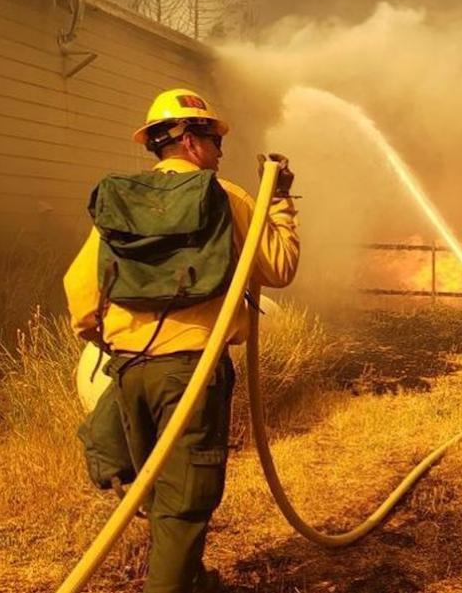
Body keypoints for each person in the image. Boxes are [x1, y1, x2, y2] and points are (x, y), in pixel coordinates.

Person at [63, 88, 299, 593]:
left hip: (127, 368)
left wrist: (109, 341)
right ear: (190, 141)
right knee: (185, 503)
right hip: (191, 371)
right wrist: (278, 204)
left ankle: (190, 578)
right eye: (214, 138)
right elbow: (278, 268)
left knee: (157, 492)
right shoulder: (226, 197)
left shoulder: (122, 200)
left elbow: (80, 290)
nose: (220, 150)